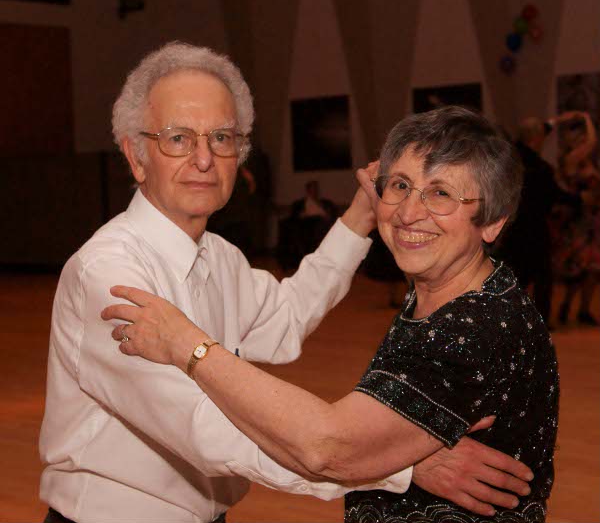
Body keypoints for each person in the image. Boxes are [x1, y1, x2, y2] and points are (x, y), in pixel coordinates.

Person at [39, 46, 529, 523]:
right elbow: (203, 427)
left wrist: (360, 218)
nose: (204, 159)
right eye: (178, 138)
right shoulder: (109, 276)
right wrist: (394, 464)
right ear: (136, 156)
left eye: (222, 137)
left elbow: (287, 317)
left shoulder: (220, 257)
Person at [497, 116, 581, 326]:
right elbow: (552, 196)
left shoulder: (509, 159)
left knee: (515, 275)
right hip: (533, 229)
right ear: (536, 138)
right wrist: (579, 200)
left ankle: (507, 319)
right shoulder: (539, 168)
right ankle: (540, 323)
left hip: (508, 229)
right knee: (541, 276)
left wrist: (556, 121)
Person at [552, 111, 600, 326]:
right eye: (578, 136)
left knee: (589, 268)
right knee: (581, 266)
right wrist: (585, 118)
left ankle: (580, 309)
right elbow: (593, 142)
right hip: (579, 221)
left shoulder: (584, 160)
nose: (583, 139)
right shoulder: (571, 159)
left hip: (590, 220)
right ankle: (571, 307)